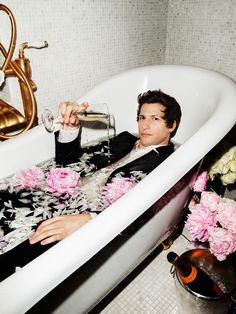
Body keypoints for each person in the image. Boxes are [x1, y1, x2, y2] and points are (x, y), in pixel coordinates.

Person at [29, 89, 182, 246]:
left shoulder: (168, 163)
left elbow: (141, 209)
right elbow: (69, 164)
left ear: (171, 125)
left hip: (87, 217)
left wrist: (90, 221)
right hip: (60, 196)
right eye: (142, 118)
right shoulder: (125, 139)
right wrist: (70, 127)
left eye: (155, 119)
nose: (145, 125)